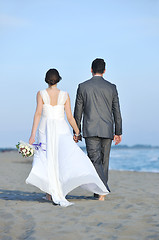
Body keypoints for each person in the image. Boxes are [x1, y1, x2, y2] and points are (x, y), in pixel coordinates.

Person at [26, 68, 109, 207]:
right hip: (61, 129)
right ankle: (94, 189)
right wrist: (77, 131)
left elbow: (38, 114)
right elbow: (70, 117)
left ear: (47, 79)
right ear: (58, 79)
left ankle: (49, 193)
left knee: (48, 159)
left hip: (45, 129)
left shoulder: (41, 94)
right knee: (61, 158)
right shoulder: (65, 95)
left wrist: (32, 134)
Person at [74, 58, 122, 201]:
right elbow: (117, 111)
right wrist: (118, 131)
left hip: (90, 128)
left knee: (95, 160)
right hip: (107, 129)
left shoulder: (83, 86)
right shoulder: (111, 87)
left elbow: (78, 111)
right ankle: (101, 191)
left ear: (91, 69)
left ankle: (101, 190)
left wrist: (76, 131)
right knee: (103, 161)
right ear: (104, 71)